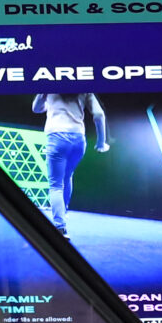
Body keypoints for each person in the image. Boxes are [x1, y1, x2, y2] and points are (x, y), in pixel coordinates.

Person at [34, 90, 110, 233]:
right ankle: (64, 209)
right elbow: (99, 115)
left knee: (55, 185)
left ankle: (60, 228)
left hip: (57, 137)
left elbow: (36, 108)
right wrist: (101, 143)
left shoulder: (48, 84)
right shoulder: (85, 88)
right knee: (68, 176)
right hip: (78, 139)